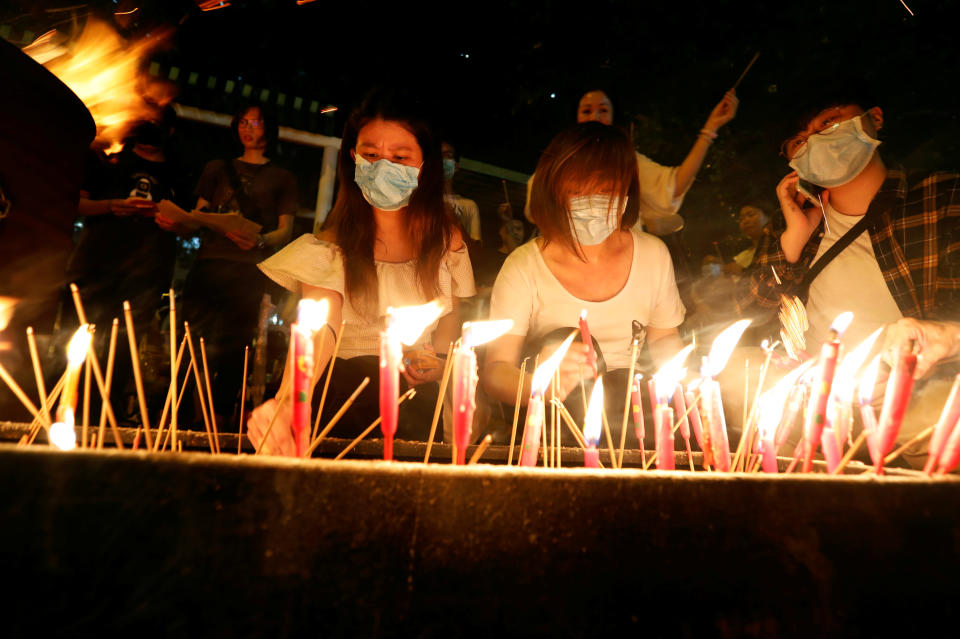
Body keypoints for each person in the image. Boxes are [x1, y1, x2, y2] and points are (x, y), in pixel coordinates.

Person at [246, 89, 476, 456]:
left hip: (415, 405)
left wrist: (440, 362)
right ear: (352, 158)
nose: (384, 167)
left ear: (425, 165)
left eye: (400, 157)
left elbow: (453, 316)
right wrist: (289, 398)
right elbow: (320, 327)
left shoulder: (446, 241)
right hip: (344, 397)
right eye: (370, 155)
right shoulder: (329, 247)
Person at [737, 93, 960, 468]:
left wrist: (943, 337)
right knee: (734, 376)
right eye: (799, 139)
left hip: (917, 393)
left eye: (827, 121)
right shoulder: (795, 219)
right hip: (810, 397)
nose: (815, 140)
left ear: (874, 118)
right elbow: (752, 308)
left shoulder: (942, 197)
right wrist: (794, 236)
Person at [482, 122, 686, 446]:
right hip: (558, 430)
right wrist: (540, 385)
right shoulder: (523, 266)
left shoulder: (653, 254)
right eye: (577, 190)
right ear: (554, 190)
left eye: (604, 190)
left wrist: (684, 387)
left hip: (634, 426)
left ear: (626, 189)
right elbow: (495, 370)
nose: (591, 202)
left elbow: (664, 341)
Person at [163, 104, 297, 425]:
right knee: (189, 337)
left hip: (247, 269)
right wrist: (181, 221)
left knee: (236, 344)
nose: (248, 128)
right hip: (208, 264)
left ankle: (220, 418)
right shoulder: (216, 168)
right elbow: (199, 214)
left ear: (270, 128)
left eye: (256, 123)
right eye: (242, 122)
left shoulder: (282, 177)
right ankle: (178, 414)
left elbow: (285, 229)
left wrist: (260, 240)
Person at [520, 88, 739, 236]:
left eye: (603, 110)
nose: (594, 115)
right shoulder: (558, 159)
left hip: (624, 263)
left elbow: (671, 187)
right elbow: (538, 208)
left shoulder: (626, 158)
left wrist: (710, 129)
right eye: (586, 110)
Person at [441, 140, 482, 244]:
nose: (441, 160)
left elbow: (477, 253)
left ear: (456, 166)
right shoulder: (418, 202)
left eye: (447, 155)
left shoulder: (468, 206)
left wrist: (454, 220)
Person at [724, 204, 771, 276]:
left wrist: (742, 272)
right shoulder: (742, 257)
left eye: (751, 215)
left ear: (768, 217)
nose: (745, 221)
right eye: (741, 219)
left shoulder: (779, 246)